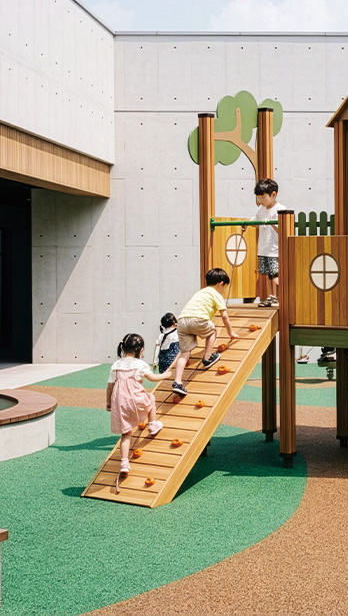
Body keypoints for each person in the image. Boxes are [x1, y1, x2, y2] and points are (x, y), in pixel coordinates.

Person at [106, 333, 171, 475]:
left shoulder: (116, 365)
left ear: (123, 348)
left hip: (120, 402)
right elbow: (152, 378)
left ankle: (124, 463)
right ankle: (152, 424)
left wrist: (108, 402)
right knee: (151, 398)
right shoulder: (140, 364)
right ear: (140, 350)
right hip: (136, 398)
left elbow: (110, 386)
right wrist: (165, 375)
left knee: (126, 434)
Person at [173, 268, 238, 397]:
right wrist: (230, 332)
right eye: (225, 287)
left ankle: (177, 382)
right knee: (212, 331)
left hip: (182, 321)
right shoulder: (216, 294)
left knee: (184, 353)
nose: (224, 290)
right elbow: (224, 316)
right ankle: (207, 358)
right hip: (198, 319)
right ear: (221, 284)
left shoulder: (200, 292)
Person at [250, 178, 291, 307]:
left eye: (263, 197)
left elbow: (283, 230)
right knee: (268, 274)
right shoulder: (261, 209)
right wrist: (247, 224)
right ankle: (271, 296)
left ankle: (276, 297)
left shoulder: (280, 209)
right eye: (258, 198)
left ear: (273, 195)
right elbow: (255, 221)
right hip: (264, 248)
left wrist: (272, 223)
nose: (260, 201)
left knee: (275, 274)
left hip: (275, 248)